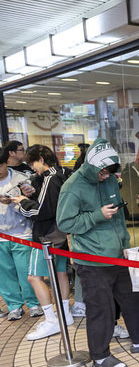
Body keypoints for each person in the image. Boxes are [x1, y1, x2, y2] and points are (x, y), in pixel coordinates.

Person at [56, 138, 139, 367]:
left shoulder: (111, 180)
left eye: (110, 173)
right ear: (93, 166)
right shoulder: (72, 187)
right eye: (103, 172)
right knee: (101, 308)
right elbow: (64, 223)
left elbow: (118, 216)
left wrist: (125, 243)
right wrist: (96, 215)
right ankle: (100, 356)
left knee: (134, 300)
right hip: (91, 259)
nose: (106, 177)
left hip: (119, 255)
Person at [14, 145, 72, 339]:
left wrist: (22, 201)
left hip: (47, 235)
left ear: (41, 158)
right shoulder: (64, 173)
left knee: (33, 277)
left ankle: (51, 320)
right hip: (62, 234)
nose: (32, 168)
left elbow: (41, 211)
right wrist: (31, 191)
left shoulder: (50, 177)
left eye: (32, 163)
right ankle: (65, 313)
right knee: (61, 273)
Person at [0, 148, 40, 321]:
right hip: (1, 236)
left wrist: (16, 201)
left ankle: (33, 303)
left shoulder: (21, 179)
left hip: (22, 233)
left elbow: (33, 203)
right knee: (5, 273)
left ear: (5, 163)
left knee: (27, 271)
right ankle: (14, 306)